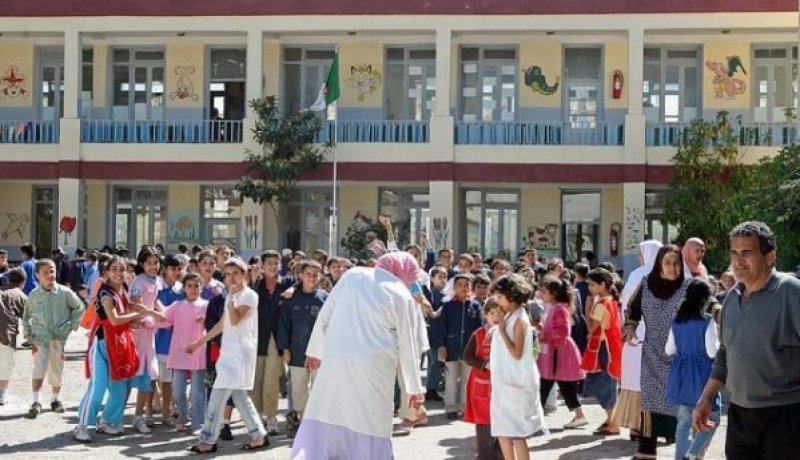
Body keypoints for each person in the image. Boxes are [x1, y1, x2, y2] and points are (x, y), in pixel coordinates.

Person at [290, 252, 425, 459]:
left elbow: (326, 314)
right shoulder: (401, 293)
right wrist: (414, 390)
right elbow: (408, 347)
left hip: (337, 358)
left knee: (332, 408)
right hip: (374, 368)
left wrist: (315, 351)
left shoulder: (352, 275)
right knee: (369, 418)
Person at [693, 221, 800, 460]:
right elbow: (725, 353)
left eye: (747, 253)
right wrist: (707, 397)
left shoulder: (791, 293)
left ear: (770, 256)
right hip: (740, 415)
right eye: (734, 253)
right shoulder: (732, 297)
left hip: (785, 417)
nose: (738, 260)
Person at [188, 257, 268, 453]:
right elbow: (221, 324)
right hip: (229, 352)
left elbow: (235, 320)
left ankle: (208, 440)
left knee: (217, 396)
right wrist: (199, 343)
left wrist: (231, 298)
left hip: (240, 354)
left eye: (236, 273)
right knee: (239, 395)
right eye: (228, 274)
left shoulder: (249, 296)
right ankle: (258, 435)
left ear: (245, 274)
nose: (231, 278)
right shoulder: (230, 296)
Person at [74, 255, 157, 442]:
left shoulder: (124, 290)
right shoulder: (106, 294)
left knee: (120, 386)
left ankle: (107, 421)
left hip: (119, 343)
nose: (119, 273)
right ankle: (81, 426)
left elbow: (128, 313)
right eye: (114, 269)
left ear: (127, 273)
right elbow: (114, 319)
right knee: (98, 386)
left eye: (122, 270)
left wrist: (147, 312)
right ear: (106, 273)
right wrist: (138, 313)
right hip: (102, 344)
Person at [625, 245, 688, 459]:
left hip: (681, 357)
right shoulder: (646, 285)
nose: (672, 267)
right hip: (652, 354)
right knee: (650, 401)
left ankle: (685, 450)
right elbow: (632, 310)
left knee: (680, 402)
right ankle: (646, 450)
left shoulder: (689, 288)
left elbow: (709, 306)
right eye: (668, 262)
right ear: (659, 264)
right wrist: (630, 328)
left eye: (676, 262)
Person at [489, 274, 547, 460]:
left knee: (516, 433)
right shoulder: (509, 315)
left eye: (499, 297)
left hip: (516, 381)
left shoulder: (520, 320)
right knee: (502, 429)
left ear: (511, 296)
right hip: (504, 380)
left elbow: (517, 353)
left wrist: (501, 331)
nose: (496, 301)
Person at [22, 259, 85, 419]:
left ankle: (55, 400)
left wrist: (72, 324)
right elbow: (27, 315)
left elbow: (79, 307)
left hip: (58, 339)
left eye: (53, 271)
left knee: (56, 370)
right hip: (39, 339)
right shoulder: (33, 295)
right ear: (37, 275)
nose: (50, 275)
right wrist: (27, 332)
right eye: (46, 272)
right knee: (38, 369)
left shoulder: (65, 292)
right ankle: (36, 402)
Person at [612, 240, 662, 440]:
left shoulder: (637, 275)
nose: (638, 257)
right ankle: (652, 428)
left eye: (641, 253)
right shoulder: (668, 276)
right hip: (656, 338)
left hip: (637, 336)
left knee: (635, 382)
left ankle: (635, 426)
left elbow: (627, 304)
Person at [665, 278, 720, 460]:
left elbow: (669, 349)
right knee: (712, 417)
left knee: (684, 421)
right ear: (705, 299)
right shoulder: (707, 321)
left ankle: (681, 457)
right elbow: (712, 351)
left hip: (681, 373)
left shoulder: (677, 321)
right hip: (703, 373)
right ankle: (693, 453)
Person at [276, 260, 328, 437]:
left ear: (320, 276)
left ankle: (318, 423)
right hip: (296, 350)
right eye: (308, 274)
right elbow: (284, 324)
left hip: (320, 353)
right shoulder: (292, 298)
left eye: (315, 274)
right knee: (298, 388)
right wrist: (285, 349)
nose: (312, 278)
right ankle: (304, 421)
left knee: (320, 387)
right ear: (301, 276)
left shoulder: (325, 298)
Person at [536, 276, 587, 429]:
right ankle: (579, 414)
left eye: (544, 291)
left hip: (558, 354)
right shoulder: (554, 308)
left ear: (553, 293)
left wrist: (546, 336)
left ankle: (535, 419)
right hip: (554, 353)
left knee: (546, 385)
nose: (540, 293)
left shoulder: (558, 309)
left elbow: (563, 331)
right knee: (563, 386)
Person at [158, 272, 208, 432]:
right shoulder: (177, 306)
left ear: (201, 288)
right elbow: (163, 318)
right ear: (184, 288)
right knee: (178, 390)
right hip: (179, 351)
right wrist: (144, 319)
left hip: (198, 352)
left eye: (196, 286)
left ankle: (198, 422)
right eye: (190, 286)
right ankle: (184, 415)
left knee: (197, 391)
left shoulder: (206, 305)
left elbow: (216, 325)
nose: (193, 289)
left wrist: (206, 321)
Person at [253, 249, 294, 434]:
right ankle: (255, 416)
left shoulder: (286, 283)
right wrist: (252, 280)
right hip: (255, 338)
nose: (273, 266)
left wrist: (293, 289)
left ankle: (271, 416)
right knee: (255, 380)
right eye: (269, 263)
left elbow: (303, 282)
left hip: (276, 338)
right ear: (261, 265)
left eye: (276, 263)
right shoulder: (255, 284)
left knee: (271, 379)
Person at [582, 268, 623, 436]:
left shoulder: (601, 304)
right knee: (608, 383)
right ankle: (610, 419)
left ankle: (613, 422)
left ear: (602, 285)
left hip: (603, 349)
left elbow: (592, 328)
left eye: (592, 284)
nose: (590, 288)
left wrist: (587, 308)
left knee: (605, 384)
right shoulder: (611, 300)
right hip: (610, 347)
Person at [129, 246, 166, 432]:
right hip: (138, 331)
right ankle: (117, 414)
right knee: (133, 372)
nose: (153, 266)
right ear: (142, 264)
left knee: (148, 372)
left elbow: (155, 299)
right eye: (149, 263)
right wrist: (153, 314)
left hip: (149, 332)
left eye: (156, 262)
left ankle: (138, 415)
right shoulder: (138, 281)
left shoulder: (157, 280)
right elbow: (135, 305)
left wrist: (163, 310)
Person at [436, 273, 482, 419]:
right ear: (455, 287)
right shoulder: (448, 305)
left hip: (469, 350)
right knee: (451, 379)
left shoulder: (475, 305)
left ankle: (464, 406)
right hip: (451, 347)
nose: (463, 287)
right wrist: (441, 345)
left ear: (470, 287)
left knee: (467, 379)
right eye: (460, 285)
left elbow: (478, 328)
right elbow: (441, 326)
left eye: (466, 285)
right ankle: (451, 408)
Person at [462, 298, 503, 460]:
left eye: (499, 313)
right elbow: (467, 356)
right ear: (485, 314)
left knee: (502, 422)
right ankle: (485, 456)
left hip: (501, 385)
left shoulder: (506, 333)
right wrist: (484, 364)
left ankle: (501, 455)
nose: (495, 316)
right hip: (481, 386)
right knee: (484, 423)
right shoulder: (478, 334)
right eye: (492, 312)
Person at [155, 254, 185, 426]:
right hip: (156, 338)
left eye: (179, 269)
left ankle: (167, 412)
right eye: (173, 268)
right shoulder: (156, 286)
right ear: (165, 269)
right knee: (152, 379)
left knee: (168, 380)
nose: (176, 272)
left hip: (173, 341)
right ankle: (150, 411)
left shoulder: (181, 289)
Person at [0, 268, 27, 405]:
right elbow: (29, 319)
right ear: (24, 282)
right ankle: (1, 394)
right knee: (5, 364)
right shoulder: (20, 295)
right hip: (6, 334)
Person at [424, 266, 447, 402]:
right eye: (440, 277)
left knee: (436, 362)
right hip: (434, 332)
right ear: (432, 279)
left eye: (445, 276)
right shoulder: (433, 294)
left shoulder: (444, 294)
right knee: (435, 362)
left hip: (440, 332)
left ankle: (432, 387)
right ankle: (431, 389)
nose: (443, 279)